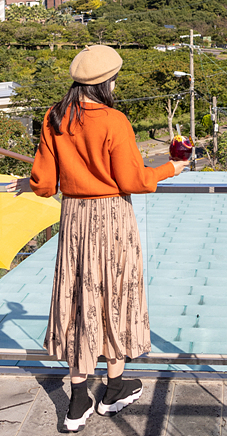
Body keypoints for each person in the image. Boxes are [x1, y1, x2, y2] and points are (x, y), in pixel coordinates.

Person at [30, 44, 186, 431]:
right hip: (112, 216)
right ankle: (114, 388)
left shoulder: (54, 117)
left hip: (74, 217)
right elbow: (134, 180)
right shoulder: (115, 120)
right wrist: (172, 168)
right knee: (115, 293)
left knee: (78, 296)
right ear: (106, 82)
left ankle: (77, 399)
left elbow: (44, 184)